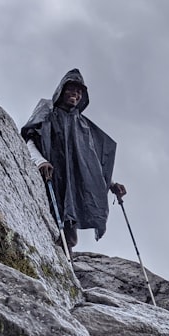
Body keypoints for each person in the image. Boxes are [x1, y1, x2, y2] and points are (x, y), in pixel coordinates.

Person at [20, 69, 126, 250]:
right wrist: (40, 161)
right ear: (61, 90)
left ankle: (60, 267)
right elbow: (30, 137)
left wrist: (111, 183)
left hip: (72, 187)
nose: (75, 94)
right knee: (52, 224)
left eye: (79, 92)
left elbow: (92, 160)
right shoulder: (47, 110)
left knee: (69, 236)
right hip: (49, 177)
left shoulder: (83, 125)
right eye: (71, 89)